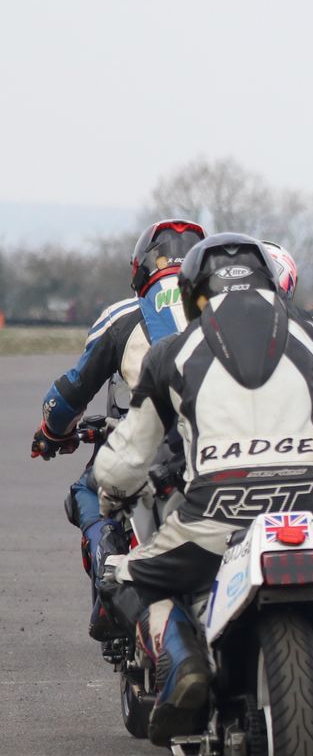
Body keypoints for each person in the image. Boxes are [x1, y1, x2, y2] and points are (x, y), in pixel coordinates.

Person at [90, 233, 313, 743]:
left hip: (212, 522)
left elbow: (123, 465)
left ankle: (184, 664)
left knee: (124, 576)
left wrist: (112, 495)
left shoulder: (170, 353)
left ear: (192, 293)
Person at [31, 219, 204, 638]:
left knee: (87, 490)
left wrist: (53, 433)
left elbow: (69, 394)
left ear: (140, 269)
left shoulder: (125, 316)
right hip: (226, 443)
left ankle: (110, 572)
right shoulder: (225, 310)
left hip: (154, 448)